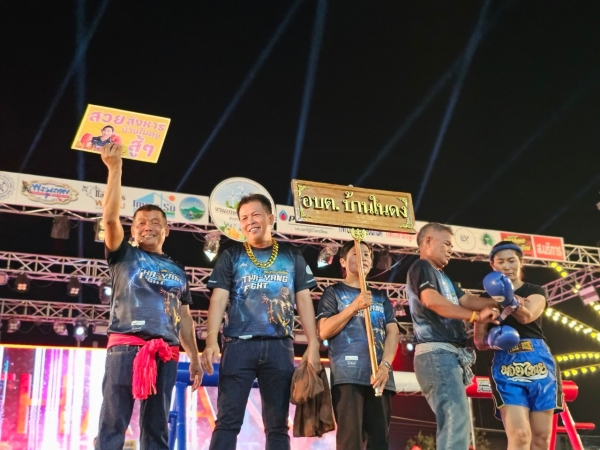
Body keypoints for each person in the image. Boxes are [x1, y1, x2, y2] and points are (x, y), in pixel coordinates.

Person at [96, 144, 202, 450]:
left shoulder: (178, 269)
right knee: (112, 426)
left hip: (166, 354)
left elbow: (184, 318)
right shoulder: (123, 255)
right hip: (125, 349)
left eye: (156, 222)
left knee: (156, 431)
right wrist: (115, 168)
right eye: (141, 223)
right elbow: (110, 219)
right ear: (132, 231)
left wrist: (195, 358)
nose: (148, 227)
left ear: (166, 230)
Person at [201, 193, 321, 450]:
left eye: (255, 215)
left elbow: (304, 301)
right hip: (238, 346)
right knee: (227, 421)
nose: (250, 221)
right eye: (244, 218)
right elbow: (218, 300)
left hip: (280, 347)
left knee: (278, 425)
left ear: (270, 217)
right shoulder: (231, 255)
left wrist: (313, 344)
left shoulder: (292, 255)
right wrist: (211, 340)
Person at [406, 222, 500, 450]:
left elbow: (468, 300)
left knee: (457, 420)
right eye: (446, 244)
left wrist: (504, 300)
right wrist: (475, 316)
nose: (451, 250)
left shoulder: (444, 278)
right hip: (436, 354)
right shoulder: (421, 267)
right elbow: (432, 301)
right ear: (428, 241)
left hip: (446, 356)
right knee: (455, 418)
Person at [474, 241, 563, 450]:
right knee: (520, 435)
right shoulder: (484, 299)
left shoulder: (535, 291)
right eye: (501, 262)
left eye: (511, 261)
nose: (507, 266)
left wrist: (508, 299)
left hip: (539, 361)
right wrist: (492, 340)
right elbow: (479, 341)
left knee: (541, 438)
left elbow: (527, 316)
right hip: (506, 363)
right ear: (492, 265)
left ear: (521, 262)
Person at [317, 240, 399, 450]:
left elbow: (393, 332)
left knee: (379, 442)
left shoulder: (380, 296)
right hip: (348, 376)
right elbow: (324, 330)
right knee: (350, 441)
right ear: (343, 261)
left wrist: (385, 365)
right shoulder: (333, 292)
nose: (364, 257)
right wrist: (354, 306)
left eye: (367, 254)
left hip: (380, 376)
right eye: (356, 253)